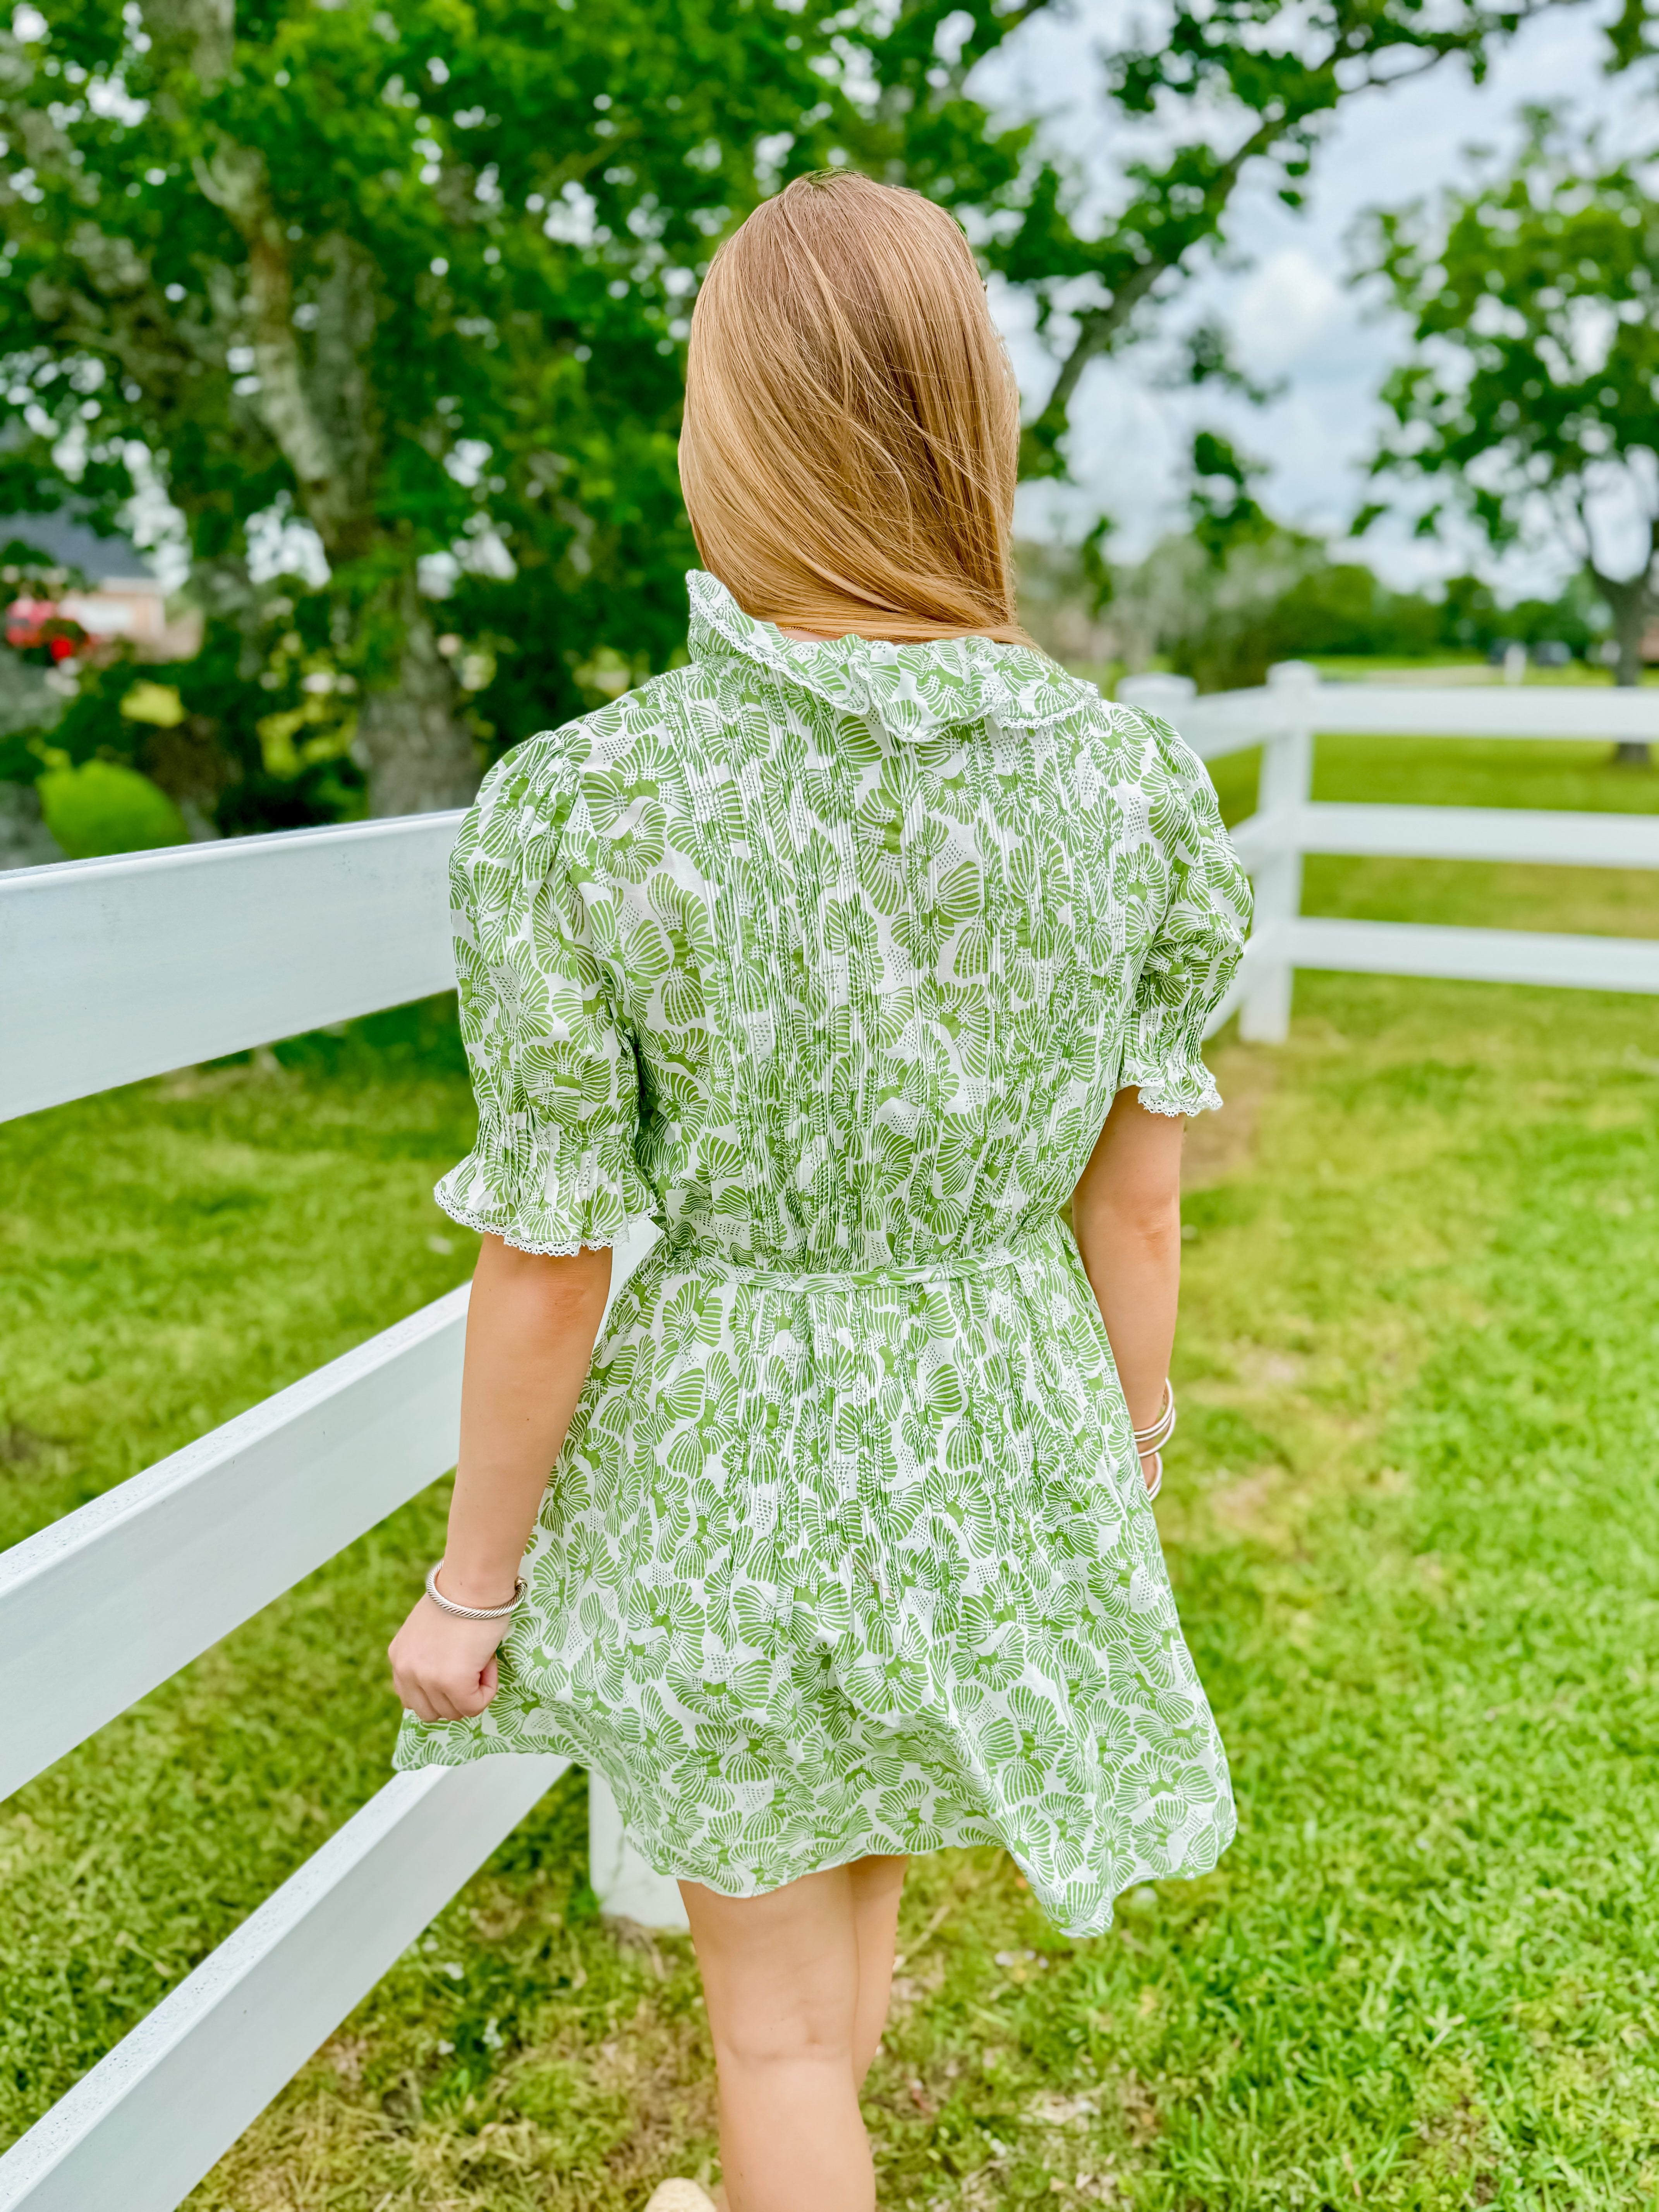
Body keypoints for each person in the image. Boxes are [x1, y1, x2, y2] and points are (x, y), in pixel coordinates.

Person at [387, 169, 1250, 2212]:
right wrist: (1121, 1457)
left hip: (737, 1462)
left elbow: (543, 1254)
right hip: (1000, 1418)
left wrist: (469, 1587)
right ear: (975, 425)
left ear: (732, 431)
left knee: (768, 2025)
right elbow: (1135, 1213)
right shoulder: (1123, 783)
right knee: (842, 1894)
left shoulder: (590, 804)